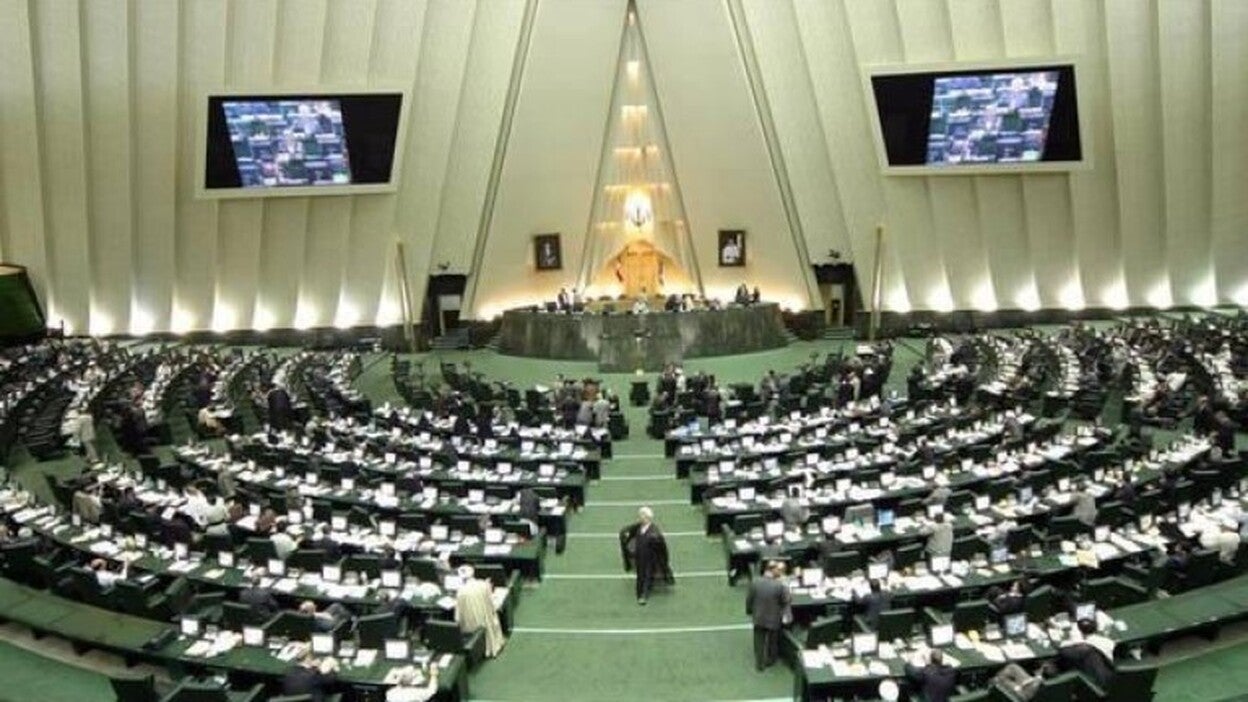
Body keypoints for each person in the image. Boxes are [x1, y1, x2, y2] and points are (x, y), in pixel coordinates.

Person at [619, 506, 673, 605]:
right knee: (641, 575)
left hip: (649, 559)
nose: (640, 517)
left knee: (646, 576)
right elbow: (629, 530)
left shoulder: (654, 533)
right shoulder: (639, 527)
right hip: (639, 557)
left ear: (647, 518)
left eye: (642, 516)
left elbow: (662, 549)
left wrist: (662, 560)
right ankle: (641, 593)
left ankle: (643, 595)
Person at [746, 560, 790, 672]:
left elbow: (749, 599)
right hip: (773, 618)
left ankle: (759, 663)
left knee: (758, 641)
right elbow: (785, 600)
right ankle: (770, 660)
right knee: (772, 641)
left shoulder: (755, 582)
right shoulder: (779, 586)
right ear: (773, 570)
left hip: (758, 616)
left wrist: (749, 611)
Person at [454, 565, 507, 657]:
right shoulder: (483, 585)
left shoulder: (460, 592)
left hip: (470, 626)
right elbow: (492, 604)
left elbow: (458, 617)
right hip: (486, 622)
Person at [1057, 618, 1115, 688]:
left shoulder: (1083, 648)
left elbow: (1063, 652)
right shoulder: (1109, 642)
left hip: (1093, 685)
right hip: (1110, 679)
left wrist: (1068, 642)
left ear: (1079, 633)